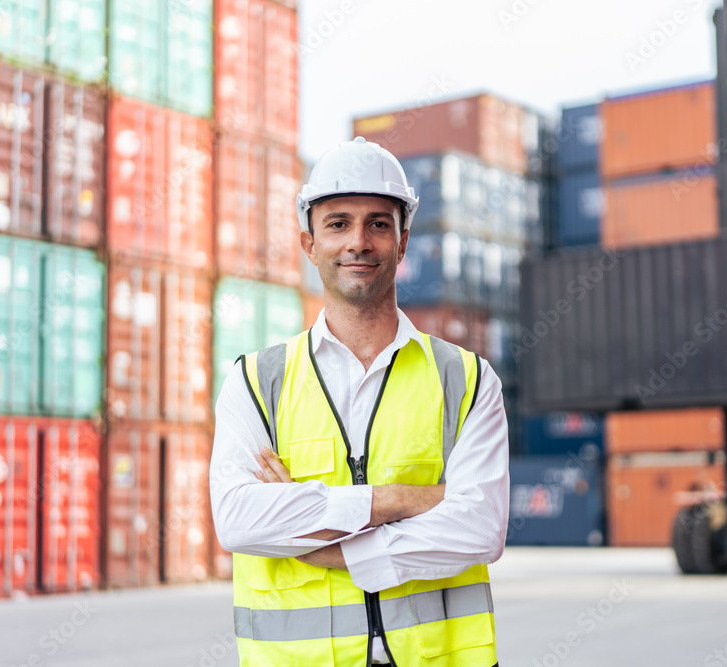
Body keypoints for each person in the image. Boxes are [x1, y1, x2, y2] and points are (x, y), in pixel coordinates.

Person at [210, 137, 509, 667]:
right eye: (338, 223)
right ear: (309, 245)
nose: (359, 242)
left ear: (403, 240)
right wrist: (402, 500)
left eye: (377, 223)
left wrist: (326, 544)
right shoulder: (256, 381)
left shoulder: (466, 380)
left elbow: (480, 527)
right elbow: (238, 519)